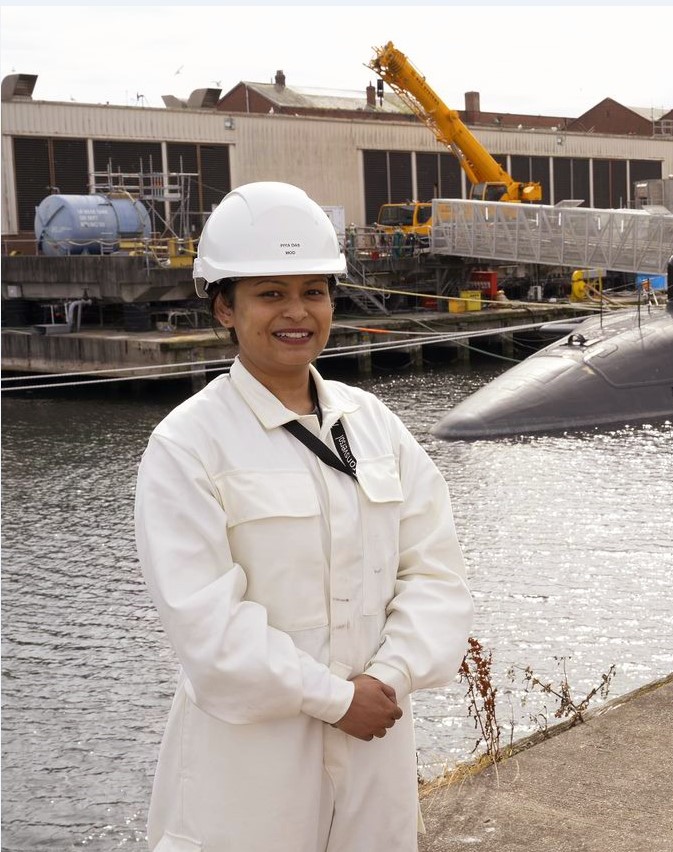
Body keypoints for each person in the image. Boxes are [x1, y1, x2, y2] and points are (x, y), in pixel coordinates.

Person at [134, 181, 474, 852]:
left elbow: (435, 572)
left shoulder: (373, 425)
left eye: (312, 291)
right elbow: (207, 626)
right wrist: (335, 699)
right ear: (224, 309)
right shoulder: (188, 445)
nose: (297, 312)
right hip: (254, 766)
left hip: (376, 740)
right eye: (270, 294)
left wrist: (390, 677)